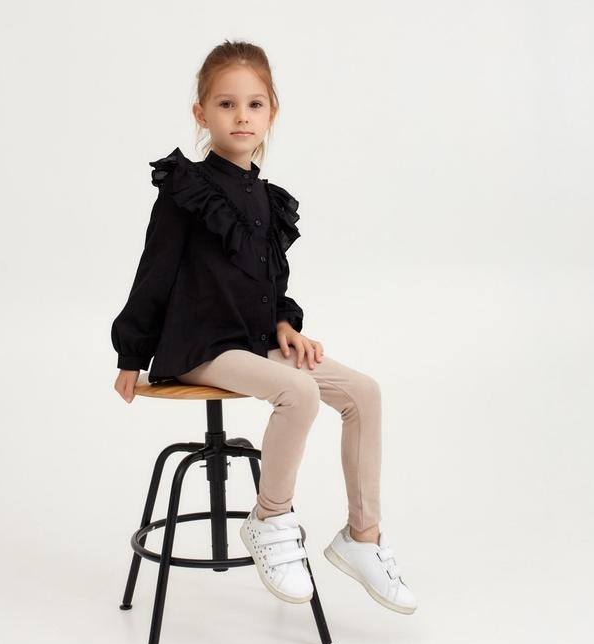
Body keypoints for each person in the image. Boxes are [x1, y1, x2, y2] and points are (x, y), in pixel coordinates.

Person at [111, 40, 417, 614]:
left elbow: (268, 281)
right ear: (202, 113)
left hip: (253, 344)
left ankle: (362, 537)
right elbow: (153, 273)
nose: (242, 116)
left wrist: (283, 322)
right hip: (199, 347)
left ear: (272, 112)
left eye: (254, 104)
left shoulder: (269, 200)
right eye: (226, 104)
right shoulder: (185, 189)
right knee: (298, 391)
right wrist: (131, 353)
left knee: (364, 393)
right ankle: (270, 520)